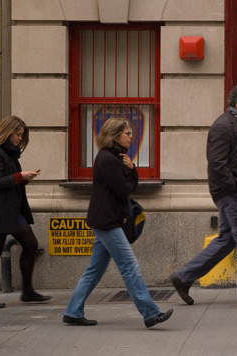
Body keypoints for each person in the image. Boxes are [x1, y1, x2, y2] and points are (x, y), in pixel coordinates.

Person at [63, 115, 172, 328]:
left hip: (105, 219)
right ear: (115, 136)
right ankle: (150, 313)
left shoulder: (116, 157)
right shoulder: (107, 159)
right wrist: (131, 171)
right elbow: (124, 189)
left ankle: (73, 312)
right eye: (127, 133)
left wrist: (131, 170)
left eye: (131, 133)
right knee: (129, 265)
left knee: (95, 269)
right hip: (107, 221)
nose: (132, 136)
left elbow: (128, 185)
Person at [170, 84, 237, 309]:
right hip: (230, 193)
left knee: (228, 239)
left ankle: (184, 277)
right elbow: (217, 164)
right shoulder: (223, 126)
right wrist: (236, 187)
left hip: (233, 192)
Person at [0, 115, 50, 308]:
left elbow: (7, 180)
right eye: (17, 135)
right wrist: (19, 176)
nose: (20, 138)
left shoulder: (9, 155)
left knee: (30, 244)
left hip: (11, 212)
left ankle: (27, 292)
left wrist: (23, 179)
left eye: (21, 135)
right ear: (7, 133)